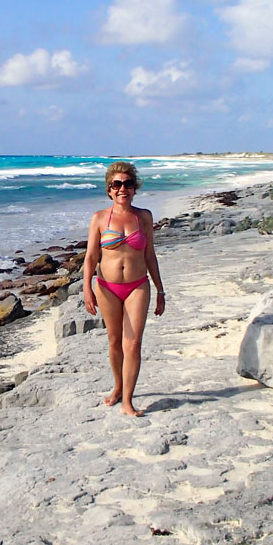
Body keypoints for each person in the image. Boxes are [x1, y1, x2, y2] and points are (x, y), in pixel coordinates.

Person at [83, 160, 165, 416]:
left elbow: (150, 255)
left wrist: (160, 291)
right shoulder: (99, 218)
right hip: (106, 287)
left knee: (133, 343)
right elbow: (90, 257)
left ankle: (128, 400)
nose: (122, 189)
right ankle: (117, 387)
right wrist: (87, 288)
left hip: (138, 286)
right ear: (109, 189)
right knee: (115, 341)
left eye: (128, 184)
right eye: (117, 184)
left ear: (134, 188)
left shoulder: (144, 217)